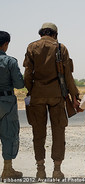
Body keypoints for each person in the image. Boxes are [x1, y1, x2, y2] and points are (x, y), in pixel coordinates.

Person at [23, 22, 79, 180]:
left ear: (41, 33)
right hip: (56, 95)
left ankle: (40, 170)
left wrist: (31, 90)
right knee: (58, 132)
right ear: (55, 34)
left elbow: (27, 75)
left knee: (38, 133)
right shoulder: (61, 48)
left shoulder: (32, 47)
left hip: (37, 95)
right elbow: (68, 76)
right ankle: (57, 170)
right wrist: (74, 95)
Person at [0, 31, 24, 180]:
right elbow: (19, 84)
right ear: (6, 44)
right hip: (7, 103)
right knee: (9, 134)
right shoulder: (11, 62)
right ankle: (7, 169)